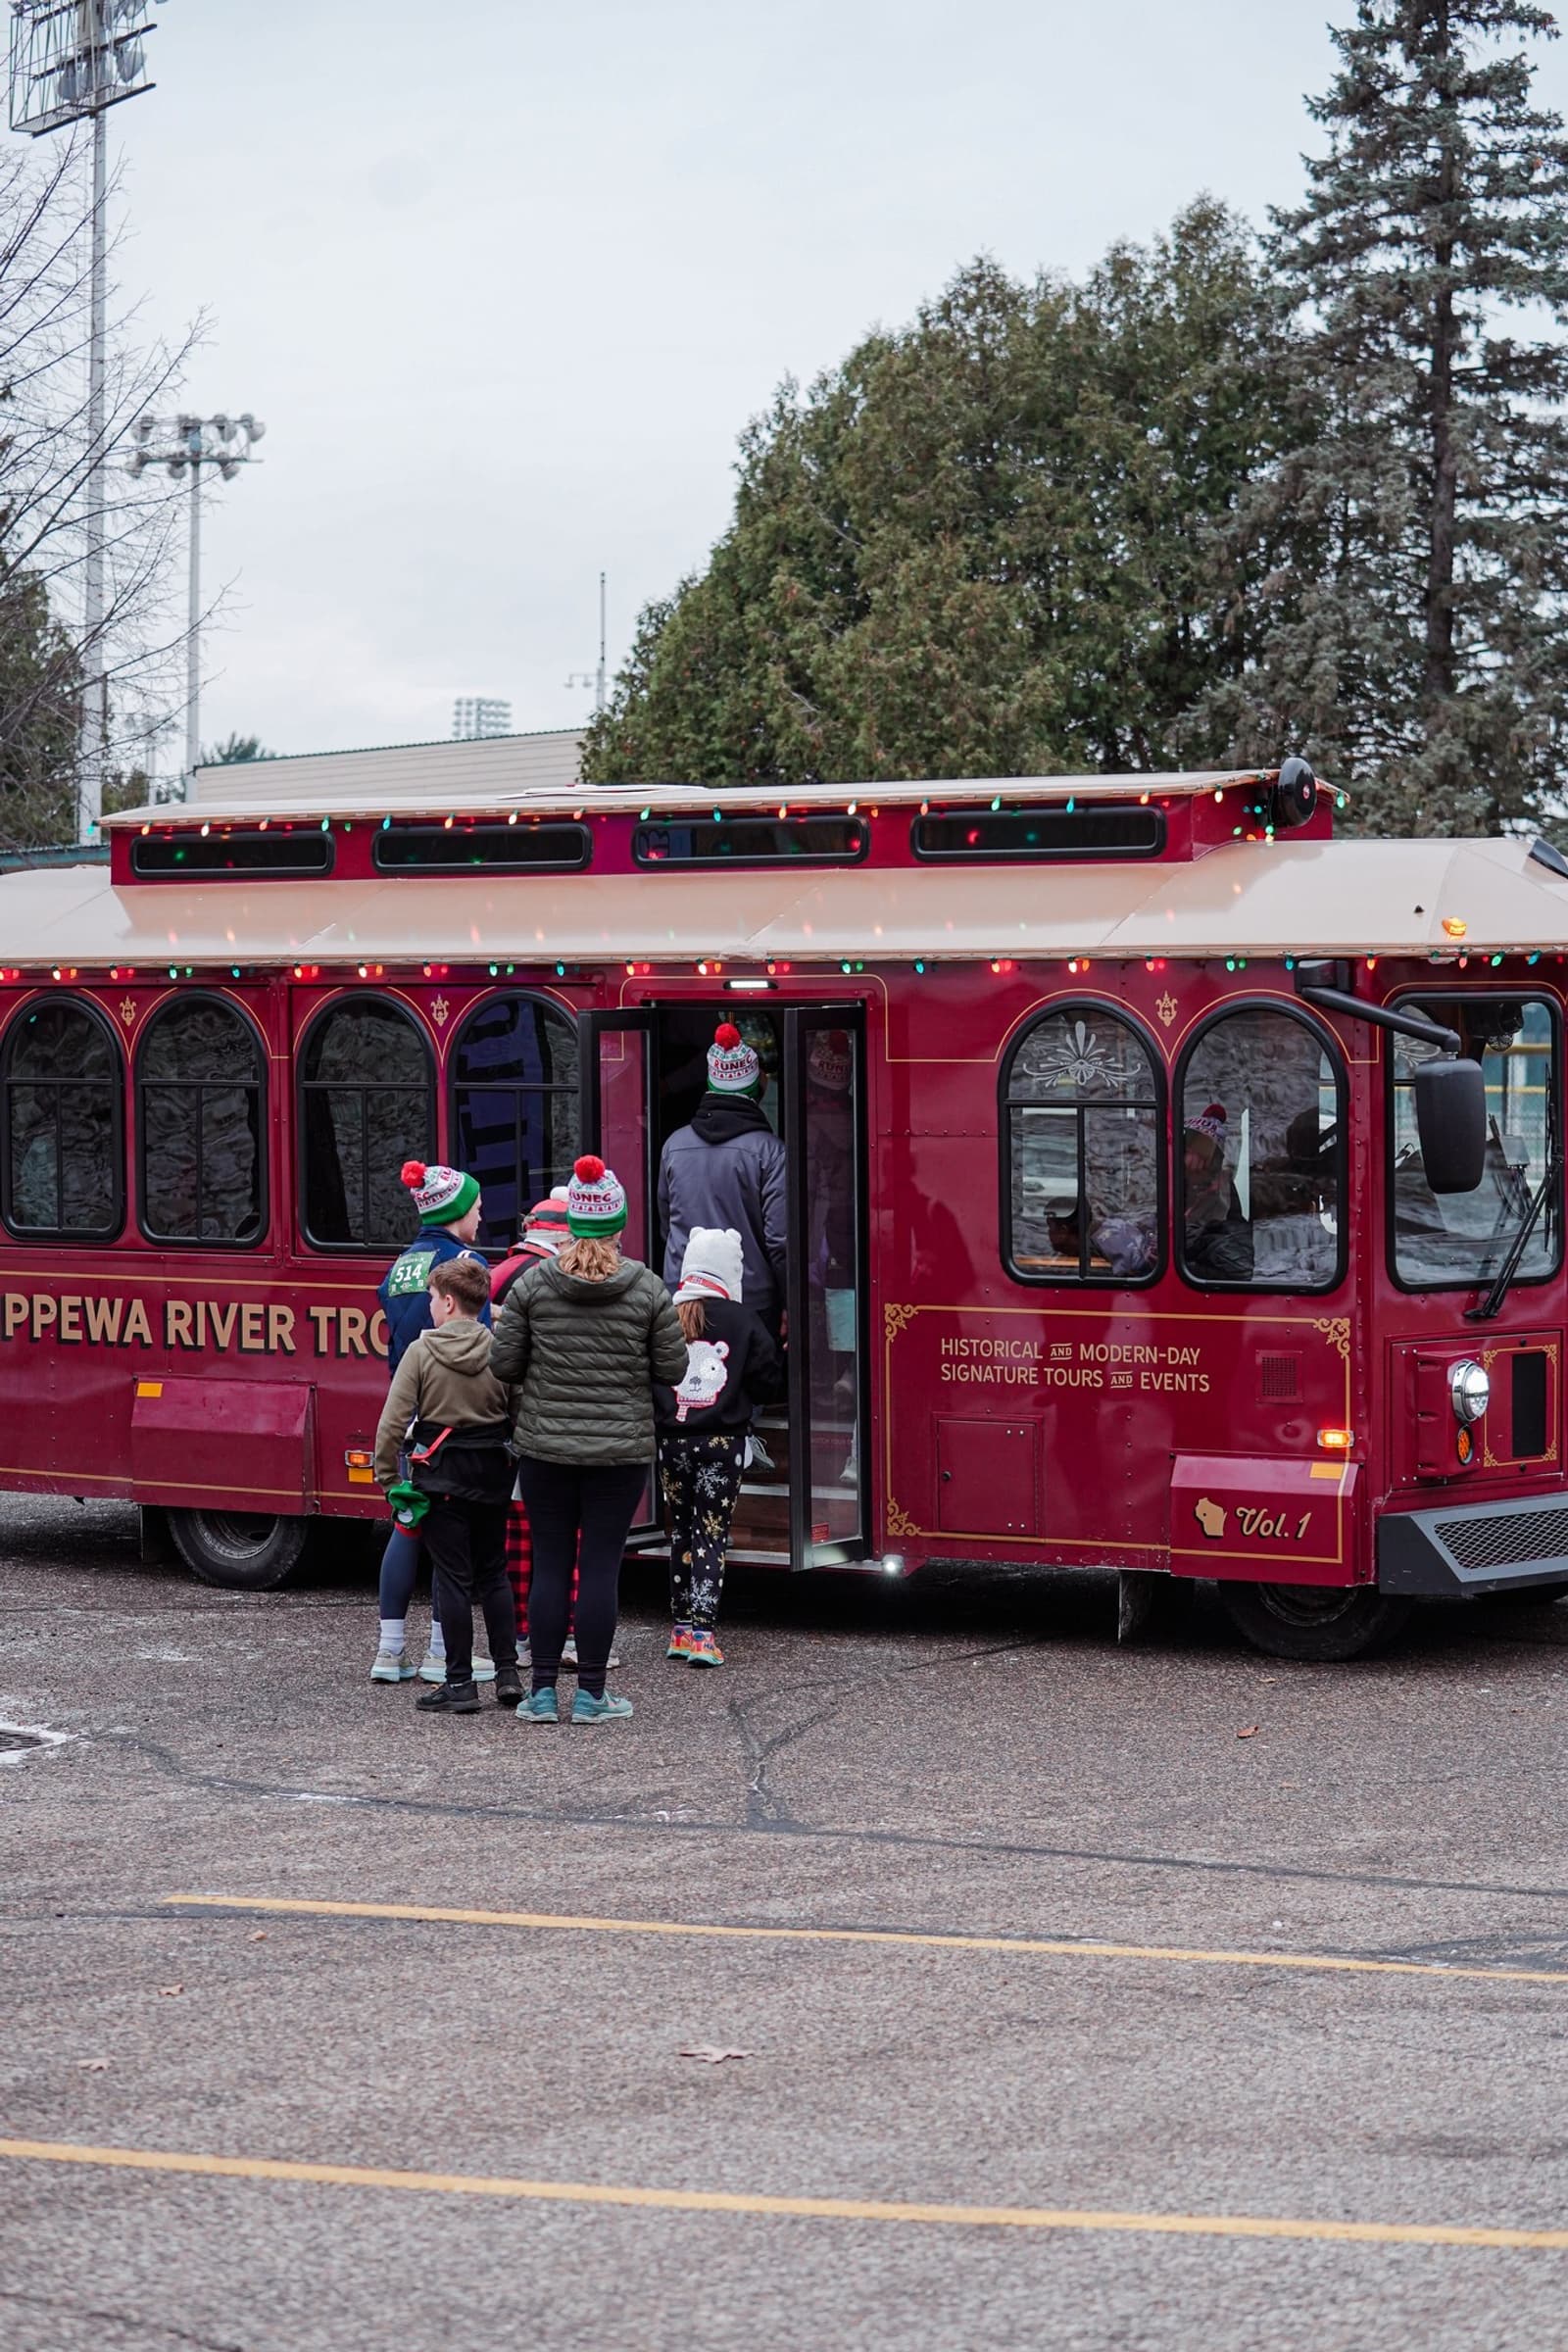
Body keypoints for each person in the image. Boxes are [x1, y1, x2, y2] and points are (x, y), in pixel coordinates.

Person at [491, 1153, 688, 1727]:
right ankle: (593, 1695)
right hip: (619, 1454)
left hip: (545, 1450)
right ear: (618, 1226)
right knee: (600, 1567)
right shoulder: (647, 1288)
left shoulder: (534, 1287)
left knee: (551, 1564)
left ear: (573, 1224)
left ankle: (543, 1693)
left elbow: (504, 1364)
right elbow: (673, 1370)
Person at [372, 1256, 520, 1716]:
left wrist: (389, 1480)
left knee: (453, 1579)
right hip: (493, 1476)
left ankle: (459, 1683)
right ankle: (509, 1674)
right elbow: (519, 1413)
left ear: (450, 1301)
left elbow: (392, 1424)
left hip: (441, 1479)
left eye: (434, 1298)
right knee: (494, 1574)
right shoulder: (500, 1350)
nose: (430, 1306)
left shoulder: (421, 1352)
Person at [369, 1159, 493, 1687]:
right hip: (453, 1417)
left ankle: (389, 1649)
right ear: (456, 1211)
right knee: (453, 1538)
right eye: (478, 1208)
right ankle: (443, 1652)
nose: (482, 1217)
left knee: (408, 1523)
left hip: (411, 1405)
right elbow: (480, 1343)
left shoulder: (403, 1263)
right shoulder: (462, 1263)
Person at [655, 1227, 781, 1667]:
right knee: (712, 1534)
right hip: (723, 1443)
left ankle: (680, 1628)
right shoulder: (743, 1319)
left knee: (682, 1533)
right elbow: (769, 1379)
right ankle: (705, 1636)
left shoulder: (665, 1316)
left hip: (672, 1443)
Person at [659, 1022, 787, 1333]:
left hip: (683, 1295)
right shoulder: (771, 1152)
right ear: (758, 1086)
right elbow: (780, 1241)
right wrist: (791, 1300)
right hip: (751, 1300)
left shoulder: (674, 1145)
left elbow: (666, 1225)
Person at [1182, 1102, 1254, 1283]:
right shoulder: (1182, 1184)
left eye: (1187, 1152)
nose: (1182, 1158)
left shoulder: (1219, 1194)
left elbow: (1237, 1266)